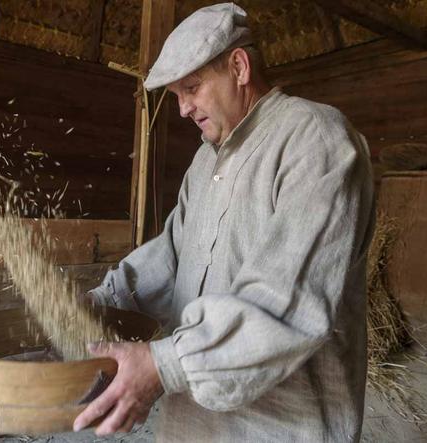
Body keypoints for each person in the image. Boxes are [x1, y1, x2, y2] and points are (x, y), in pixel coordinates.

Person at [73, 3, 375, 441]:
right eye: (176, 94)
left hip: (284, 423)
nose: (181, 109)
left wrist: (165, 364)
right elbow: (173, 256)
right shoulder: (205, 160)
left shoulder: (316, 141)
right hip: (195, 418)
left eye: (191, 88)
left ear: (239, 67)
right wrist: (99, 302)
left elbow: (285, 301)